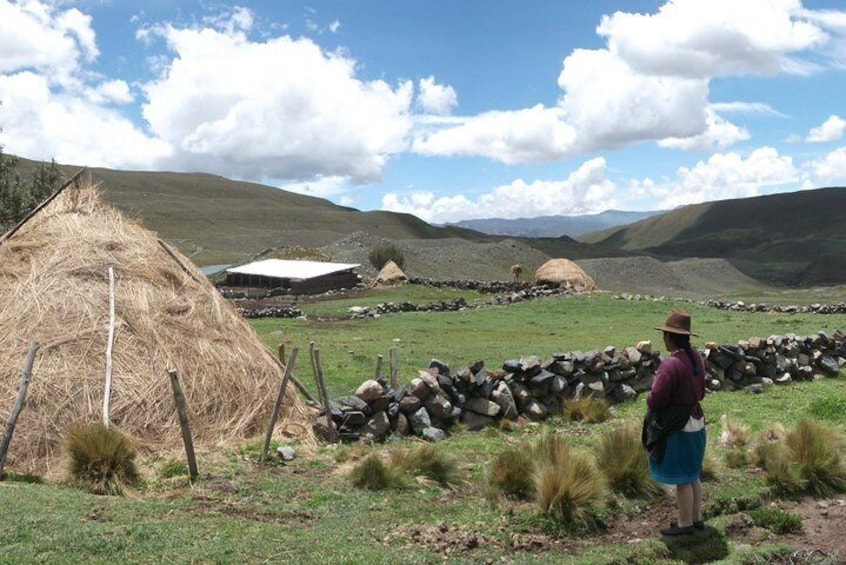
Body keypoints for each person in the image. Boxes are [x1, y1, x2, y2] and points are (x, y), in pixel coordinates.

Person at [644, 311, 706, 537]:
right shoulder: (696, 357)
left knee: (682, 478)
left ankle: (684, 523)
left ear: (670, 337)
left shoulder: (671, 364)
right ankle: (696, 518)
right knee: (693, 474)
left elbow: (657, 398)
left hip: (678, 425)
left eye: (665, 335)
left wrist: (650, 397)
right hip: (696, 420)